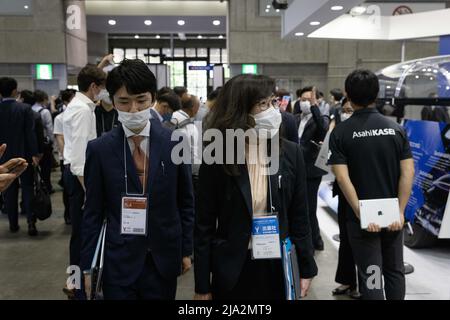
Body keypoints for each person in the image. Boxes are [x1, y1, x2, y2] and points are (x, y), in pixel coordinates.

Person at [194, 74, 317, 300]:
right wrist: (202, 285)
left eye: (272, 102)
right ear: (240, 110)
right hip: (233, 266)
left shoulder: (290, 153)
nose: (273, 110)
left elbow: (301, 216)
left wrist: (307, 268)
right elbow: (204, 225)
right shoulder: (218, 156)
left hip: (278, 263)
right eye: (263, 104)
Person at [80, 59, 194, 300]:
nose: (133, 109)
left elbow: (185, 201)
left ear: (152, 99)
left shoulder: (175, 142)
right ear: (112, 100)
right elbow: (92, 212)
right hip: (118, 261)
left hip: (162, 257)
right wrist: (87, 266)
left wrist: (186, 250)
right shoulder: (99, 150)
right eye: (124, 101)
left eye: (141, 100)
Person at [329, 69, 415, 300]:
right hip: (393, 215)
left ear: (347, 94)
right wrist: (400, 211)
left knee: (372, 273)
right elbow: (408, 172)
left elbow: (342, 177)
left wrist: (361, 212)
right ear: (377, 93)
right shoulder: (396, 130)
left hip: (362, 218)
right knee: (395, 270)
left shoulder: (341, 133)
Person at [63, 65, 106, 286]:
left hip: (76, 174)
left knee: (80, 233)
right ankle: (76, 282)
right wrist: (89, 191)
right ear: (93, 87)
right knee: (82, 233)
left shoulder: (80, 105)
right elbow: (80, 158)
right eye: (103, 88)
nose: (105, 92)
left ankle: (75, 281)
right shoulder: (82, 110)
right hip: (80, 177)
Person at [0, 77, 40, 235]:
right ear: (15, 91)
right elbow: (30, 134)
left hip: (3, 157)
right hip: (24, 156)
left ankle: (13, 223)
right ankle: (31, 222)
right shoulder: (24, 109)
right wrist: (35, 154)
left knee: (8, 190)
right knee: (28, 189)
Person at [295, 86, 330, 251]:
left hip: (311, 169)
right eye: (303, 100)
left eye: (309, 100)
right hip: (296, 168)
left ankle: (315, 240)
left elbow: (323, 129)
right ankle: (308, 238)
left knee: (310, 207)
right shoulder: (295, 119)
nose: (305, 103)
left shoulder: (321, 118)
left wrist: (315, 106)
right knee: (299, 207)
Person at [54, 89, 75, 225]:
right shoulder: (60, 118)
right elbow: (59, 138)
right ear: (66, 101)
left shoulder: (81, 114)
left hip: (80, 157)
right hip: (66, 159)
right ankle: (68, 213)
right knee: (67, 188)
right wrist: (66, 157)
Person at [32, 90, 55, 193]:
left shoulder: (30, 109)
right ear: (44, 99)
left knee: (34, 168)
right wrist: (53, 142)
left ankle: (37, 188)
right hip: (45, 143)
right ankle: (47, 187)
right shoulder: (45, 112)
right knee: (46, 169)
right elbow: (50, 128)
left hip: (33, 143)